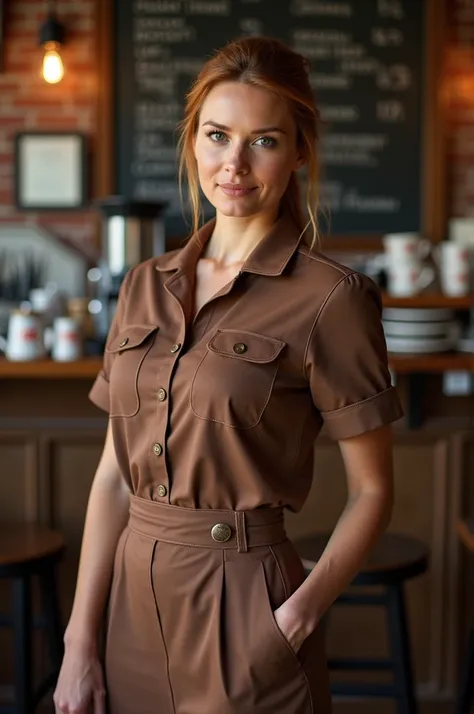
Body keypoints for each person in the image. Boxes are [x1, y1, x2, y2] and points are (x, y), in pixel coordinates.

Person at [53, 35, 403, 714]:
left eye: (264, 141)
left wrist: (291, 624)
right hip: (129, 605)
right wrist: (79, 641)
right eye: (217, 136)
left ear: (299, 150)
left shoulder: (333, 299)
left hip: (246, 606)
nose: (234, 164)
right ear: (193, 143)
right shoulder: (142, 285)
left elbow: (373, 492)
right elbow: (110, 479)